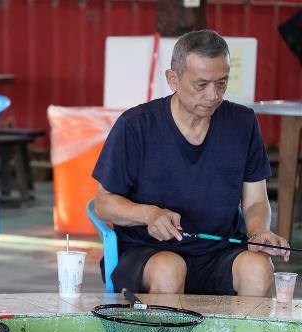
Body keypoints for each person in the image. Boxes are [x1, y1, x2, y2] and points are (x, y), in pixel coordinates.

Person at [92, 29, 287, 296]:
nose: (213, 96)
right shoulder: (136, 126)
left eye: (222, 83)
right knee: (169, 269)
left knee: (258, 268)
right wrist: (149, 214)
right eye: (201, 84)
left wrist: (257, 232)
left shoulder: (242, 123)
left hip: (219, 252)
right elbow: (103, 203)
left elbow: (255, 201)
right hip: (148, 254)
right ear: (173, 79)